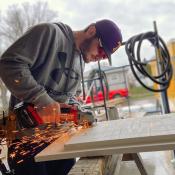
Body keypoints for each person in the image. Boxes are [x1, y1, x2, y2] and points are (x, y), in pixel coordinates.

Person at [0, 19, 122, 175]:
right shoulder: (49, 34)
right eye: (101, 48)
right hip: (26, 141)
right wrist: (40, 98)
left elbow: (70, 96)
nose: (101, 56)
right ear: (91, 31)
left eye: (105, 56)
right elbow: (9, 64)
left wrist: (76, 110)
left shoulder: (81, 61)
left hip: (59, 140)